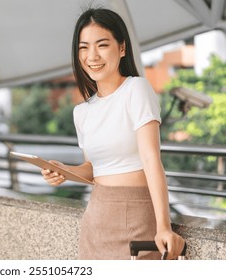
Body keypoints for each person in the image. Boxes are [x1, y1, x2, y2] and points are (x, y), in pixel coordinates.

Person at [41, 8, 185, 260]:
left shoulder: (136, 89)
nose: (92, 56)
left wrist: (164, 226)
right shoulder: (82, 112)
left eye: (102, 45)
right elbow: (95, 169)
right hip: (96, 218)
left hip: (138, 213)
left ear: (121, 48)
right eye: (84, 47)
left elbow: (152, 159)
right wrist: (63, 170)